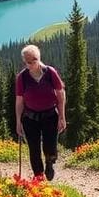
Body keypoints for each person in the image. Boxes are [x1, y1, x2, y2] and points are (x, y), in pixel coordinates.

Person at [15, 44, 66, 180]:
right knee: (34, 148)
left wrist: (62, 116)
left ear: (39, 58)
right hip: (30, 117)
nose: (31, 64)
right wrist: (18, 121)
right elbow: (19, 101)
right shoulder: (22, 77)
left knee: (50, 144)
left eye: (34, 60)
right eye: (28, 62)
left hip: (50, 115)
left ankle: (50, 163)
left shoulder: (50, 72)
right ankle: (38, 176)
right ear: (24, 62)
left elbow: (60, 94)